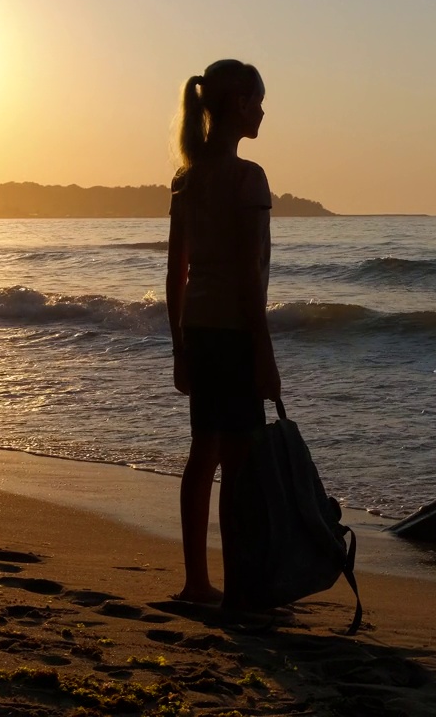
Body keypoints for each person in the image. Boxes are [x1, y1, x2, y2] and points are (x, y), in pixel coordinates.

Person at [166, 60, 280, 604]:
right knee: (235, 463)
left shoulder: (188, 180)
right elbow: (249, 276)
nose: (262, 110)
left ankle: (196, 582)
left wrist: (179, 347)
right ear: (238, 104)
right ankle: (237, 588)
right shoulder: (246, 178)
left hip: (200, 328)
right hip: (235, 332)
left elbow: (176, 273)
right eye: (258, 101)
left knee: (201, 455)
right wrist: (264, 349)